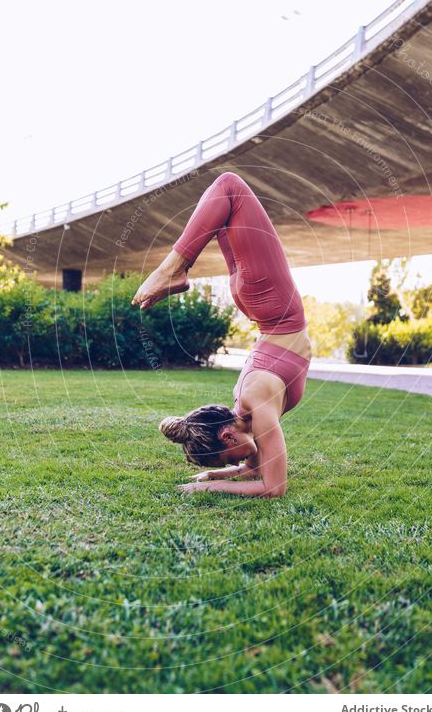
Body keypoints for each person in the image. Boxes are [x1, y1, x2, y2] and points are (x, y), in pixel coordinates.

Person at [132, 171, 311, 498]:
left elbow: (273, 488)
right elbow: (255, 472)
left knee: (230, 187)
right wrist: (216, 471)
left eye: (232, 457)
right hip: (260, 305)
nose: (240, 461)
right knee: (229, 199)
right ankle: (174, 269)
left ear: (228, 436)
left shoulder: (256, 402)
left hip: (271, 305)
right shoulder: (248, 410)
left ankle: (172, 269)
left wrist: (209, 485)